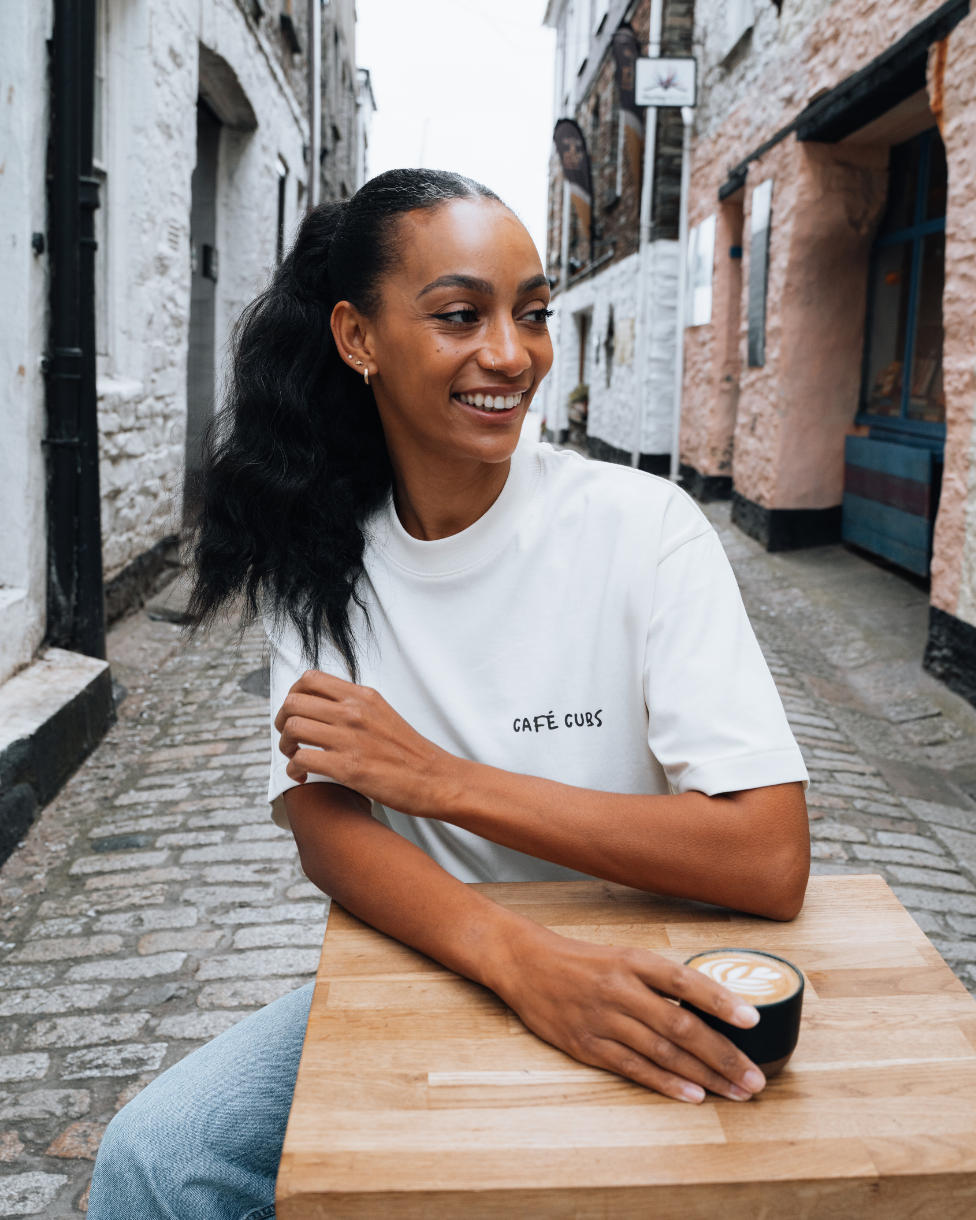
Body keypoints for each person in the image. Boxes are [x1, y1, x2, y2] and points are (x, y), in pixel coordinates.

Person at [89, 168, 810, 1220]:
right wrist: (515, 956)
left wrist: (443, 780)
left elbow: (766, 853)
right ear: (358, 337)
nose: (510, 355)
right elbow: (326, 825)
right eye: (460, 315)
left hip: (645, 955)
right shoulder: (320, 550)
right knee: (158, 1157)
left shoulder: (641, 530)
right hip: (443, 948)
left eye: (532, 314)